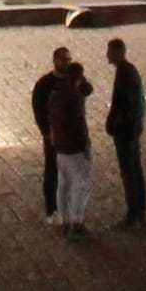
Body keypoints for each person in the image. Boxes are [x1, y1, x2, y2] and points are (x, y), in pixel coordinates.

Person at [32, 41, 94, 223]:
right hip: (53, 136)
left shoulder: (74, 81)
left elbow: (88, 90)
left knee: (67, 177)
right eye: (63, 59)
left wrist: (81, 80)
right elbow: (38, 109)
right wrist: (46, 131)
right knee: (52, 171)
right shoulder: (45, 84)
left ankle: (65, 212)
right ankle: (52, 210)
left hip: (69, 138)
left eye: (69, 59)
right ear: (55, 61)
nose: (66, 63)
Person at [105, 38, 146, 229]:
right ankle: (139, 210)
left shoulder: (125, 74)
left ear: (118, 52)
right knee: (135, 170)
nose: (106, 55)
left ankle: (133, 213)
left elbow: (127, 105)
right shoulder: (128, 71)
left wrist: (116, 124)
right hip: (131, 129)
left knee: (129, 172)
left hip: (126, 132)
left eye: (109, 52)